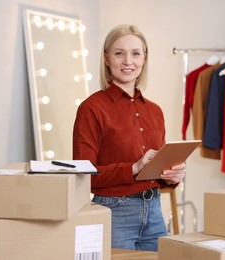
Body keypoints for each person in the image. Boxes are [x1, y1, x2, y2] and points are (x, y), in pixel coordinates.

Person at [72, 24, 186, 252]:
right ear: (106, 59)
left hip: (154, 212)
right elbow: (84, 176)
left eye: (135, 53)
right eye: (118, 53)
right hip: (114, 214)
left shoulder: (155, 111)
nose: (128, 61)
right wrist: (133, 167)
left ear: (144, 59)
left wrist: (172, 177)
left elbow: (156, 171)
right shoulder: (91, 108)